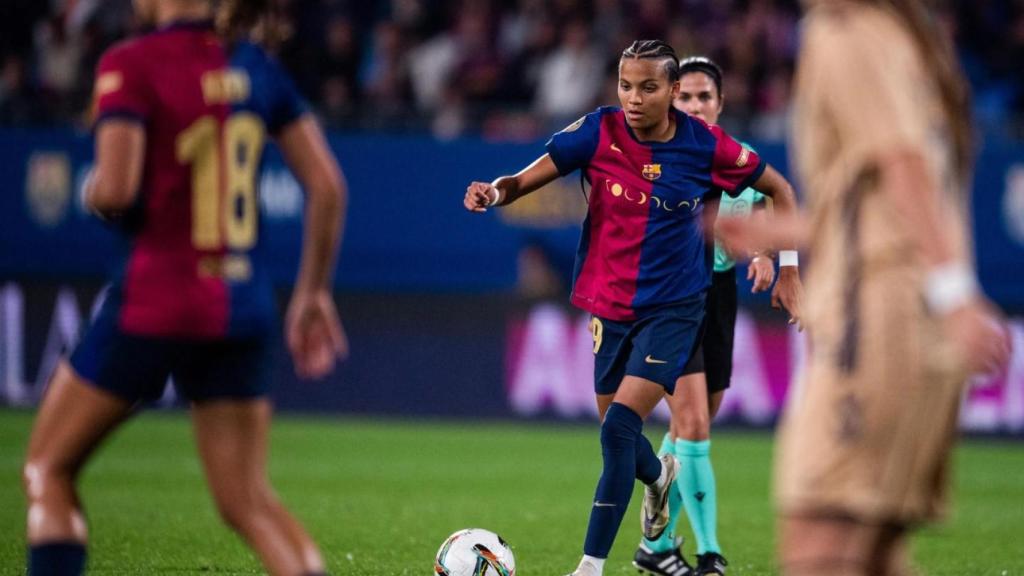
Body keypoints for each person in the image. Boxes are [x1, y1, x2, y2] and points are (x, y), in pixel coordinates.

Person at [22, 1, 348, 575]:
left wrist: (92, 187)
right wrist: (313, 292)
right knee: (250, 503)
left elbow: (117, 191)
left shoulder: (131, 62)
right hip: (243, 305)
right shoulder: (255, 65)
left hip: (155, 301)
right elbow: (327, 187)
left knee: (48, 469)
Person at [463, 40, 798, 576]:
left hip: (675, 308)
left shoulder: (706, 146)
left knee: (620, 427)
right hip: (608, 305)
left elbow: (779, 189)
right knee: (616, 434)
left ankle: (590, 566)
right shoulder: (598, 130)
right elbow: (525, 178)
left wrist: (789, 268)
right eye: (625, 85)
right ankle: (660, 478)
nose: (634, 98)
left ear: (669, 91)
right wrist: (496, 194)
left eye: (647, 87)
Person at [719, 1, 1011, 574]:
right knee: (875, 553)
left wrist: (956, 296)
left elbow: (902, 164)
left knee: (816, 544)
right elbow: (888, 193)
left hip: (876, 318)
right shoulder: (908, 39)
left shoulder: (844, 31)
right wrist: (789, 230)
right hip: (910, 315)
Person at [634, 56, 804, 576]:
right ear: (669, 99)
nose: (693, 104)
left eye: (703, 96)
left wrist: (768, 258)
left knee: (694, 428)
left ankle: (655, 545)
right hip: (668, 297)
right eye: (683, 96)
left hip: (720, 294)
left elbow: (763, 216)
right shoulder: (650, 156)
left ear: (720, 103)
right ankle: (709, 554)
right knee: (694, 424)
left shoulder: (740, 159)